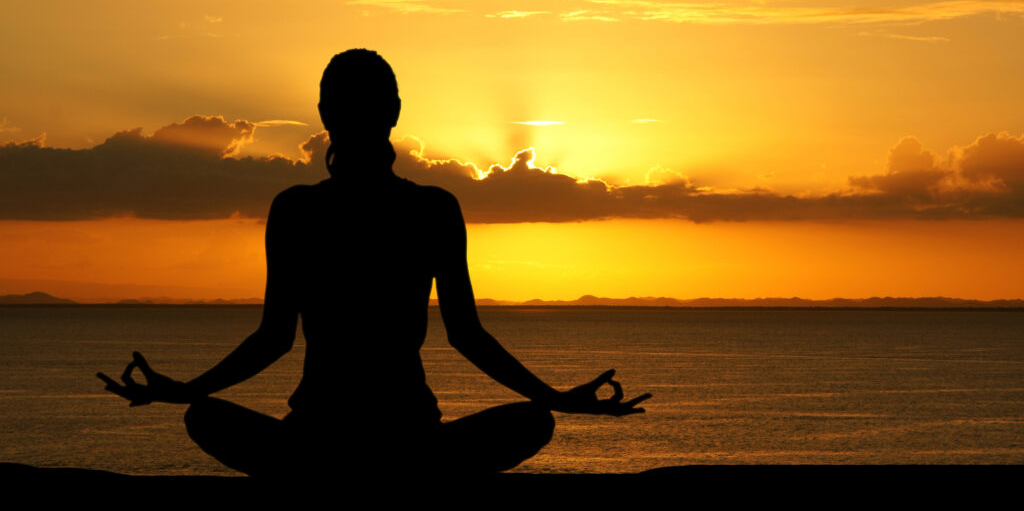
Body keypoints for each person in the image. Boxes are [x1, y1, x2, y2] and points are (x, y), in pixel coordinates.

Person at [98, 49, 650, 477]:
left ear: (324, 115)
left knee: (204, 415)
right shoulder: (430, 209)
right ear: (394, 113)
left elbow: (273, 338)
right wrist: (553, 398)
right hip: (409, 444)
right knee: (532, 420)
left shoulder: (299, 209)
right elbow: (467, 335)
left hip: (317, 444)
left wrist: (186, 389)